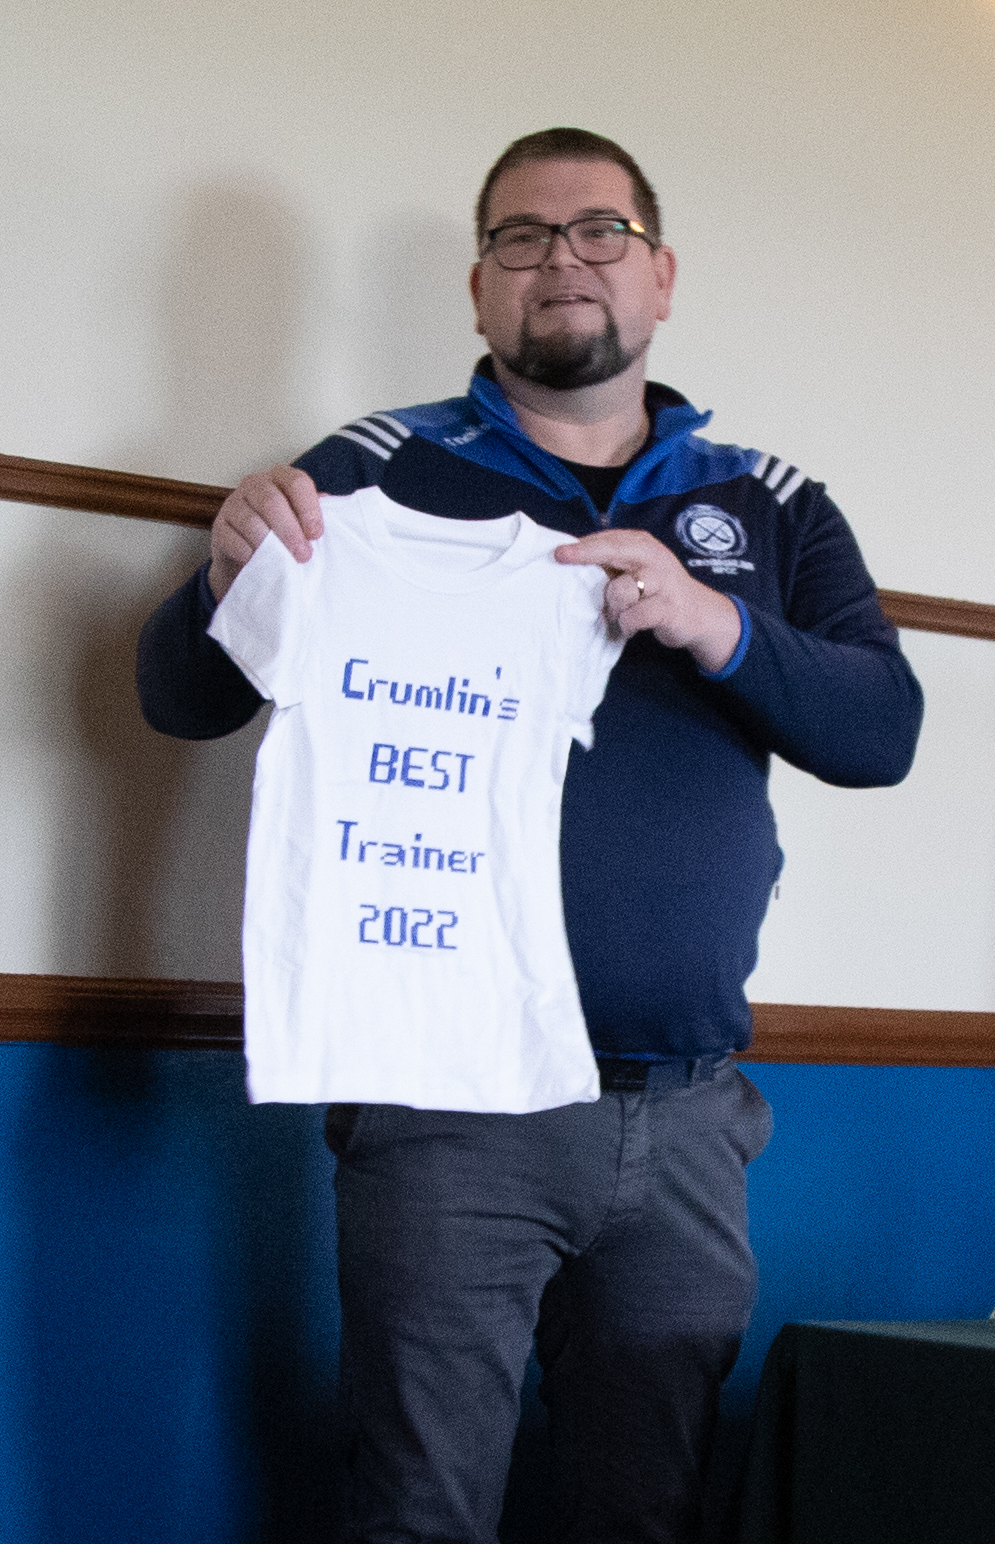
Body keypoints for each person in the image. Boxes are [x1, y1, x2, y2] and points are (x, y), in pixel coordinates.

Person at [137, 128, 923, 1544]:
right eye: (521, 235)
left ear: (661, 275)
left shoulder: (771, 500)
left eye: (600, 230)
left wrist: (715, 621)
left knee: (647, 1511)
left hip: (687, 1110)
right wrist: (222, 577)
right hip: (448, 1109)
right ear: (480, 285)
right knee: (419, 1510)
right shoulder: (371, 477)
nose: (562, 259)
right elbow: (180, 699)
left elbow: (882, 734)